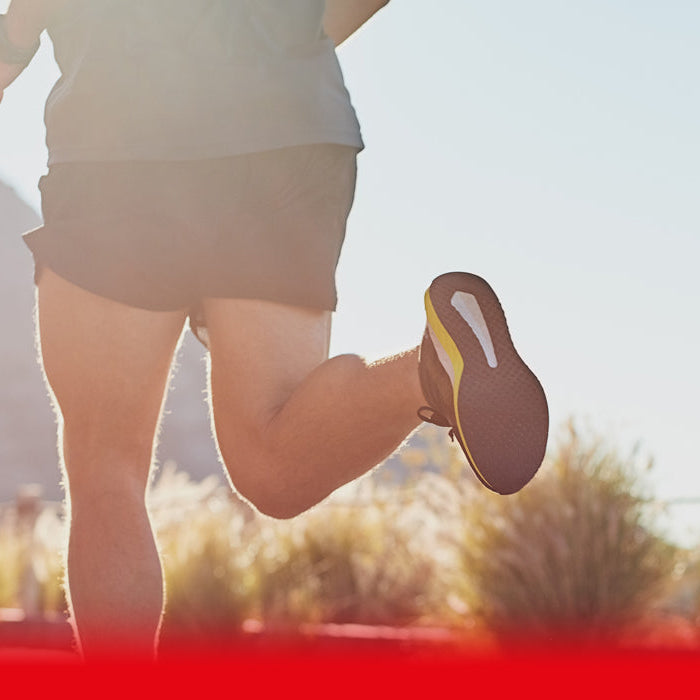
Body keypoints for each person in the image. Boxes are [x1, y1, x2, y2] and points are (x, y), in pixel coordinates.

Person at [0, 0, 548, 657]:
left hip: (121, 144)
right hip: (289, 131)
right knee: (273, 462)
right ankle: (428, 369)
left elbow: (21, 27)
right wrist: (283, 40)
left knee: (106, 469)